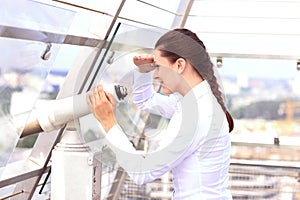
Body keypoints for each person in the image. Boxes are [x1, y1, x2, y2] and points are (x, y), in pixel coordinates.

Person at [87, 28, 234, 199]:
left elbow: (142, 172)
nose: (156, 74)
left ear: (179, 65)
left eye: (158, 67)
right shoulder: (198, 102)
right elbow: (145, 101)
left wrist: (108, 122)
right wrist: (143, 72)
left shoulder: (195, 116)